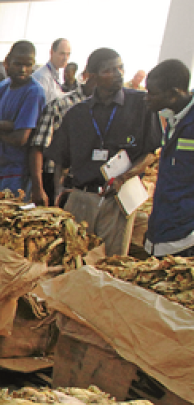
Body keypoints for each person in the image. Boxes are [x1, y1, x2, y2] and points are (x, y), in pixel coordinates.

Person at [46, 48, 161, 256]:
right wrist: (58, 194)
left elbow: (151, 152)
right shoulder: (77, 114)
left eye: (120, 67)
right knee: (72, 259)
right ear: (92, 76)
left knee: (110, 263)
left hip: (118, 199)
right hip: (82, 198)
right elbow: (60, 159)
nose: (118, 74)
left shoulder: (140, 105)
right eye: (109, 70)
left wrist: (125, 177)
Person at [0, 41, 46, 200]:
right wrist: (2, 126)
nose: (23, 69)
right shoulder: (3, 86)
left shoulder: (34, 92)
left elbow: (20, 139)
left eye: (28, 65)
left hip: (18, 173)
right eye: (18, 64)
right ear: (7, 62)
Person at [28, 63, 97, 207]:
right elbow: (38, 147)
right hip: (55, 180)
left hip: (88, 184)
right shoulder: (61, 105)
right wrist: (38, 188)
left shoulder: (109, 112)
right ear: (87, 75)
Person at [144, 59, 194, 257]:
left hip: (186, 236)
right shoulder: (173, 119)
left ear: (173, 94)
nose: (146, 98)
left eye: (152, 94)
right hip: (164, 226)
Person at [33, 38, 71, 103]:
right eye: (62, 54)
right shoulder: (42, 77)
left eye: (68, 54)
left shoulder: (55, 74)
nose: (65, 58)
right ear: (51, 53)